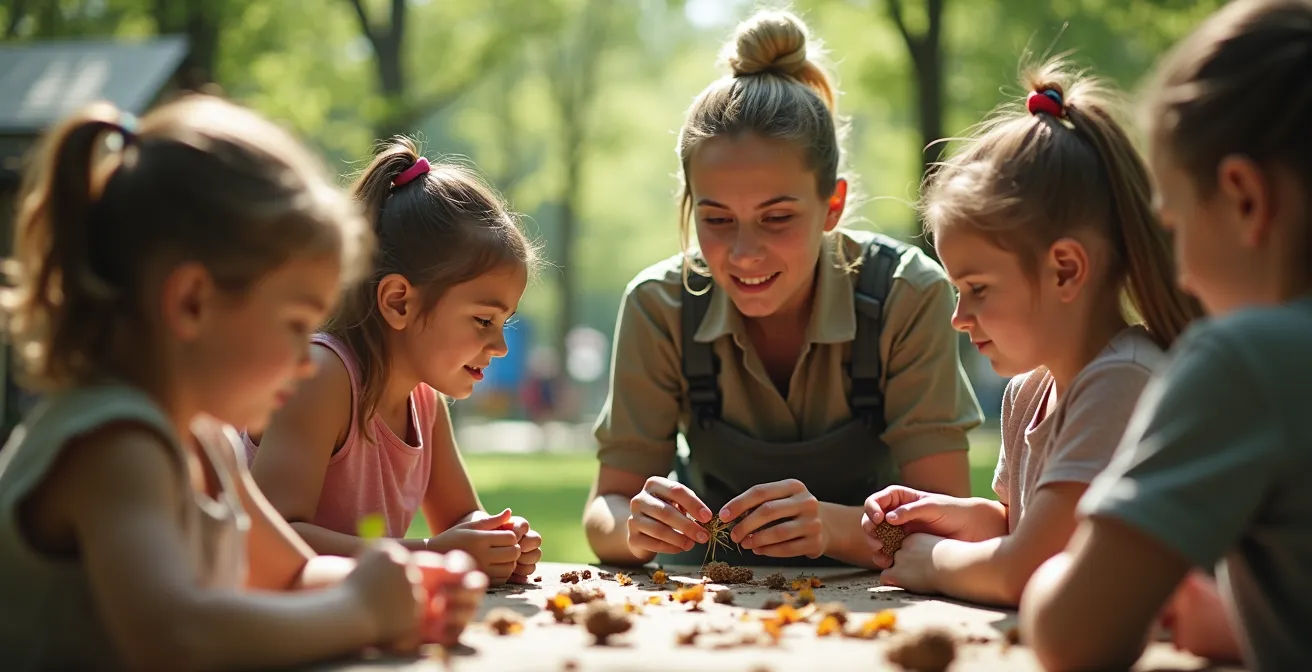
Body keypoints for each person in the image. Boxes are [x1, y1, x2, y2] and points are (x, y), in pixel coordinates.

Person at [0, 96, 485, 669]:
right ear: (192, 303)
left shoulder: (207, 442)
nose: (307, 361)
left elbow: (291, 574)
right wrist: (361, 611)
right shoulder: (116, 446)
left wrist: (406, 585)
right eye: (295, 325)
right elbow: (174, 638)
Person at [584, 9, 982, 569]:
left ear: (832, 205)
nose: (744, 253)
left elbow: (947, 525)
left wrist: (833, 529)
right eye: (717, 220)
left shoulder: (906, 296)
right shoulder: (660, 306)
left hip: (879, 598)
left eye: (776, 218)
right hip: (705, 598)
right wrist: (634, 526)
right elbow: (605, 508)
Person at [1020, 1, 1312, 669]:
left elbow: (1074, 635)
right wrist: (1245, 620)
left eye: (1174, 226)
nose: (1179, 274)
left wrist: (1049, 569)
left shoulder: (1248, 360)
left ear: (1244, 198)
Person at [858, 60, 1201, 607]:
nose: (958, 317)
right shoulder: (1028, 391)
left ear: (1065, 269)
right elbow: (1024, 527)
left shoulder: (1122, 381)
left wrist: (932, 560)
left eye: (977, 288)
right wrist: (951, 518)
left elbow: (1029, 569)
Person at [247, 138, 543, 586]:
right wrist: (430, 553)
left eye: (505, 322)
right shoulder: (323, 377)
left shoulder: (424, 400)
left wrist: (495, 537)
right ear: (398, 301)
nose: (500, 346)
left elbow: (460, 517)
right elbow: (273, 538)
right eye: (484, 320)